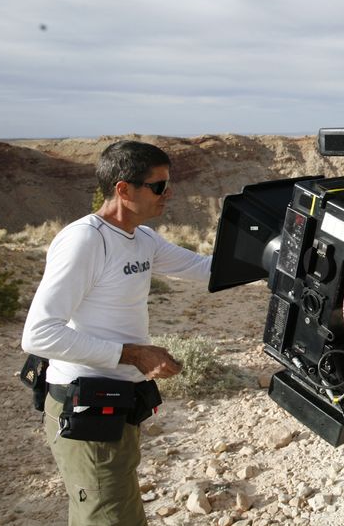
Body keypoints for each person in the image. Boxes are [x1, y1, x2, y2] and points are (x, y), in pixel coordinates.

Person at [22, 140, 212, 525]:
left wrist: (284, 259)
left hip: (117, 403)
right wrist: (134, 354)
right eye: (158, 186)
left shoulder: (142, 238)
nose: (168, 193)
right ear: (123, 189)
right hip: (85, 408)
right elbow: (39, 335)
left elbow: (205, 269)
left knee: (113, 512)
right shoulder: (85, 241)